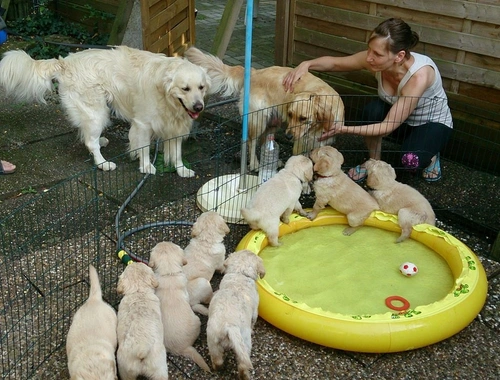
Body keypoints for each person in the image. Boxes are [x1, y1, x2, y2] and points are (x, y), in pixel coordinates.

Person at [283, 18, 453, 182]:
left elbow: (387, 127)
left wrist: (344, 129)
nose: (369, 57)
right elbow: (336, 64)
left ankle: (430, 155)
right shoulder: (375, 62)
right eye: (369, 49)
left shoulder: (419, 76)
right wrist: (307, 64)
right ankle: (374, 162)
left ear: (399, 56)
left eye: (377, 54)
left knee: (410, 161)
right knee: (372, 110)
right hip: (399, 119)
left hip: (430, 123)